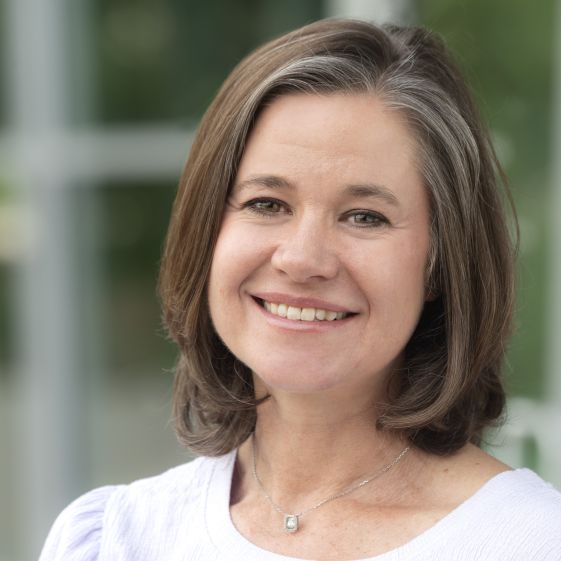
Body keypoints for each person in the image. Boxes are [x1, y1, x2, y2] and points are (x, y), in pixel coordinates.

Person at [39, 18, 561, 561]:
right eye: (267, 204)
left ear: (440, 262)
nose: (302, 259)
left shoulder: (533, 542)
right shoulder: (116, 539)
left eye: (364, 216)